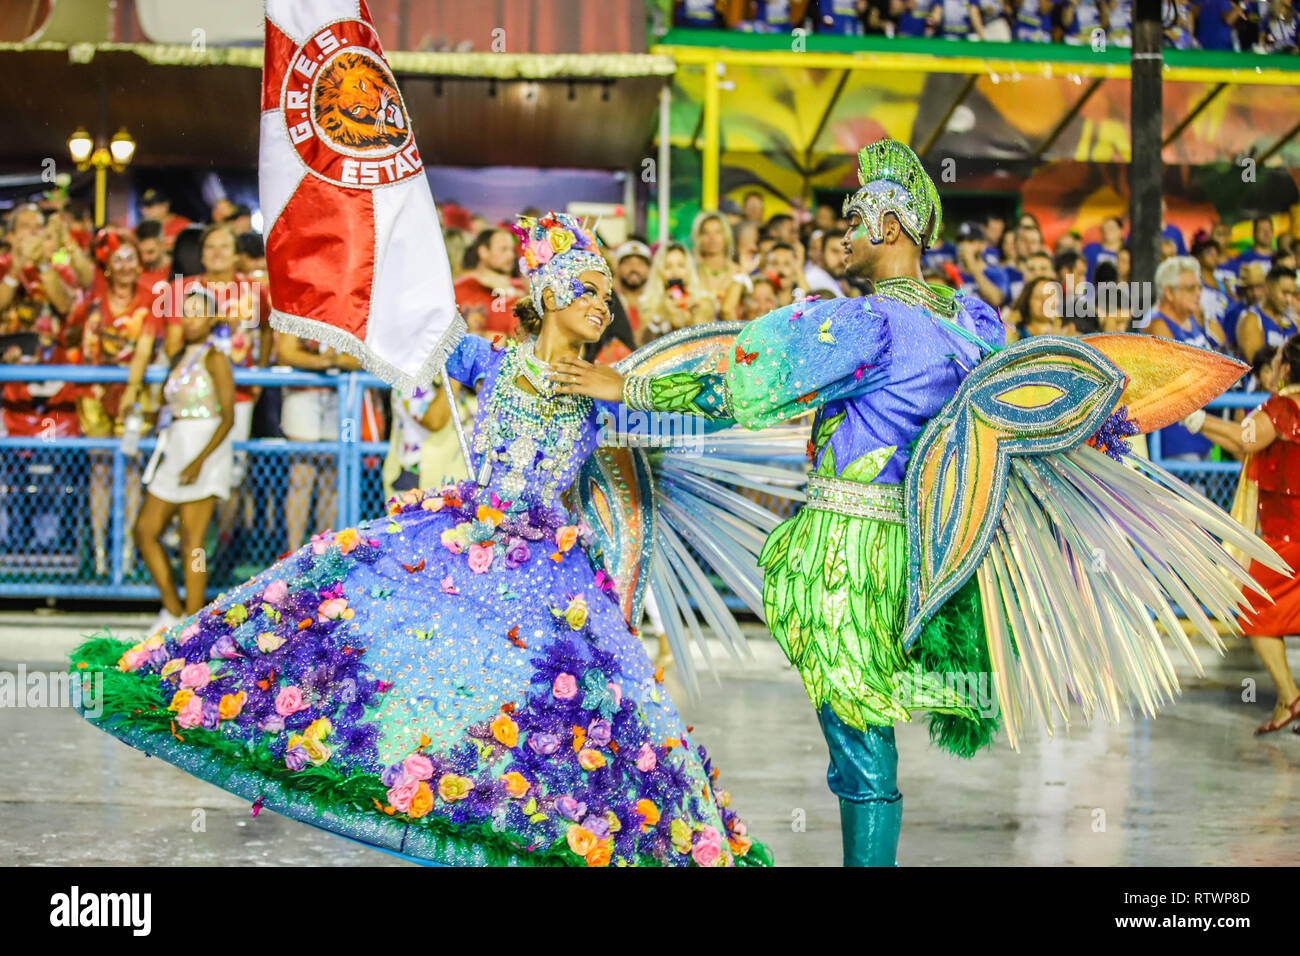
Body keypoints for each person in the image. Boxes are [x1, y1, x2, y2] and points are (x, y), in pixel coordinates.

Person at [558, 137, 1273, 867]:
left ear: (889, 228)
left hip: (845, 555)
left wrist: (627, 383)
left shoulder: (869, 322)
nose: (838, 236)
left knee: (860, 745)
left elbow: (744, 370)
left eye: (850, 221)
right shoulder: (970, 324)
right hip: (923, 548)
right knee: (862, 743)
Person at [78, 212, 769, 868]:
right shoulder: (492, 360)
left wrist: (621, 384)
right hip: (464, 541)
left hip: (551, 575)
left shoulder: (605, 392)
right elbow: (404, 323)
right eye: (588, 289)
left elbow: (718, 394)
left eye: (608, 294)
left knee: (563, 710)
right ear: (549, 290)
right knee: (356, 600)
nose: (602, 304)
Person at [1188, 335, 1300, 733]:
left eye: (1275, 363)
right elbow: (1243, 446)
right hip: (1288, 535)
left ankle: (1289, 698)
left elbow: (1243, 439)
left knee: (1253, 607)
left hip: (1288, 538)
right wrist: (1202, 424)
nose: (1269, 371)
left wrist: (1198, 418)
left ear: (1285, 371)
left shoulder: (1285, 407)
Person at [135, 289, 235, 633]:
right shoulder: (179, 357)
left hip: (203, 448)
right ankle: (173, 609)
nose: (189, 319)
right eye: (186, 312)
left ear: (211, 319)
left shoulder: (215, 358)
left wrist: (200, 461)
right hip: (175, 446)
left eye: (198, 313)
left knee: (194, 540)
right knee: (145, 531)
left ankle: (194, 622)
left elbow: (228, 417)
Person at [70, 232, 160, 577]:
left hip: (135, 397)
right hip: (93, 395)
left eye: (131, 258)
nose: (126, 265)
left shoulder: (152, 300)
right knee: (101, 471)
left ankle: (126, 554)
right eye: (118, 258)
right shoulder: (90, 300)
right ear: (106, 265)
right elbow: (70, 335)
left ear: (141, 263)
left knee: (132, 472)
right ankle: (98, 554)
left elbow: (144, 348)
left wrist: (131, 391)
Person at [635, 241, 717, 344]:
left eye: (681, 265)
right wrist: (661, 314)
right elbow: (642, 344)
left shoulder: (703, 301)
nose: (675, 272)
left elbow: (706, 341)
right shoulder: (648, 303)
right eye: (668, 267)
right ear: (659, 271)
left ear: (689, 270)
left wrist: (691, 316)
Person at [454, 227, 524, 335]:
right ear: (483, 252)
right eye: (503, 249)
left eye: (512, 250)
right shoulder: (460, 290)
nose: (511, 256)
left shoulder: (521, 288)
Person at [1235, 263, 1299, 364]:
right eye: (1285, 293)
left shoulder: (1294, 321)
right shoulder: (1251, 319)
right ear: (1268, 288)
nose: (1289, 300)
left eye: (1291, 294)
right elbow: (1258, 368)